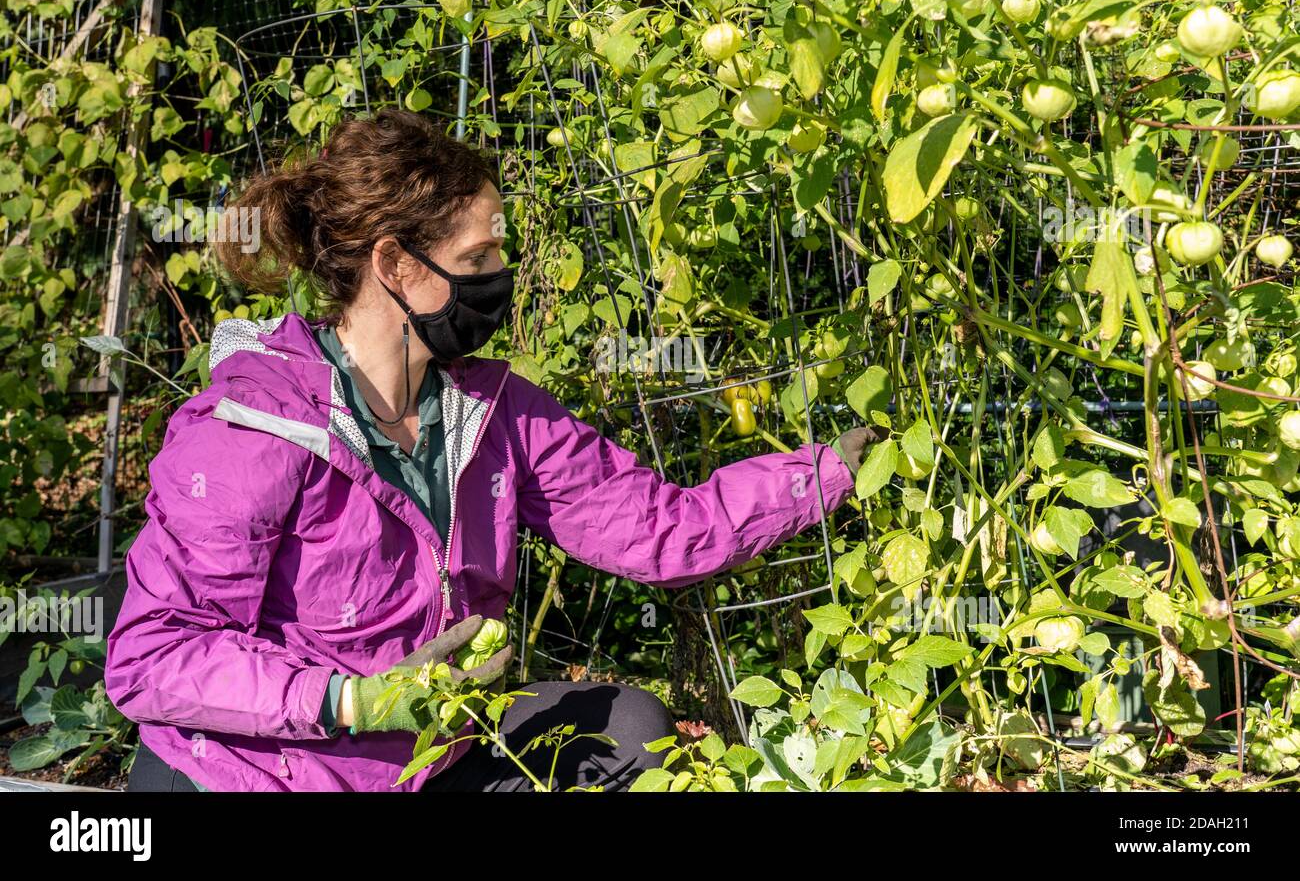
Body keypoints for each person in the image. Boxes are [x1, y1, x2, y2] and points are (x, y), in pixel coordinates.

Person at [104, 108, 874, 792]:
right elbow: (151, 657)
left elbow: (663, 530)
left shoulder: (492, 412)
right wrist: (347, 699)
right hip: (267, 769)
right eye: (477, 262)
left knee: (632, 732)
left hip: (423, 753)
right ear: (396, 265)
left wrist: (840, 466)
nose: (500, 281)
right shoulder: (252, 430)